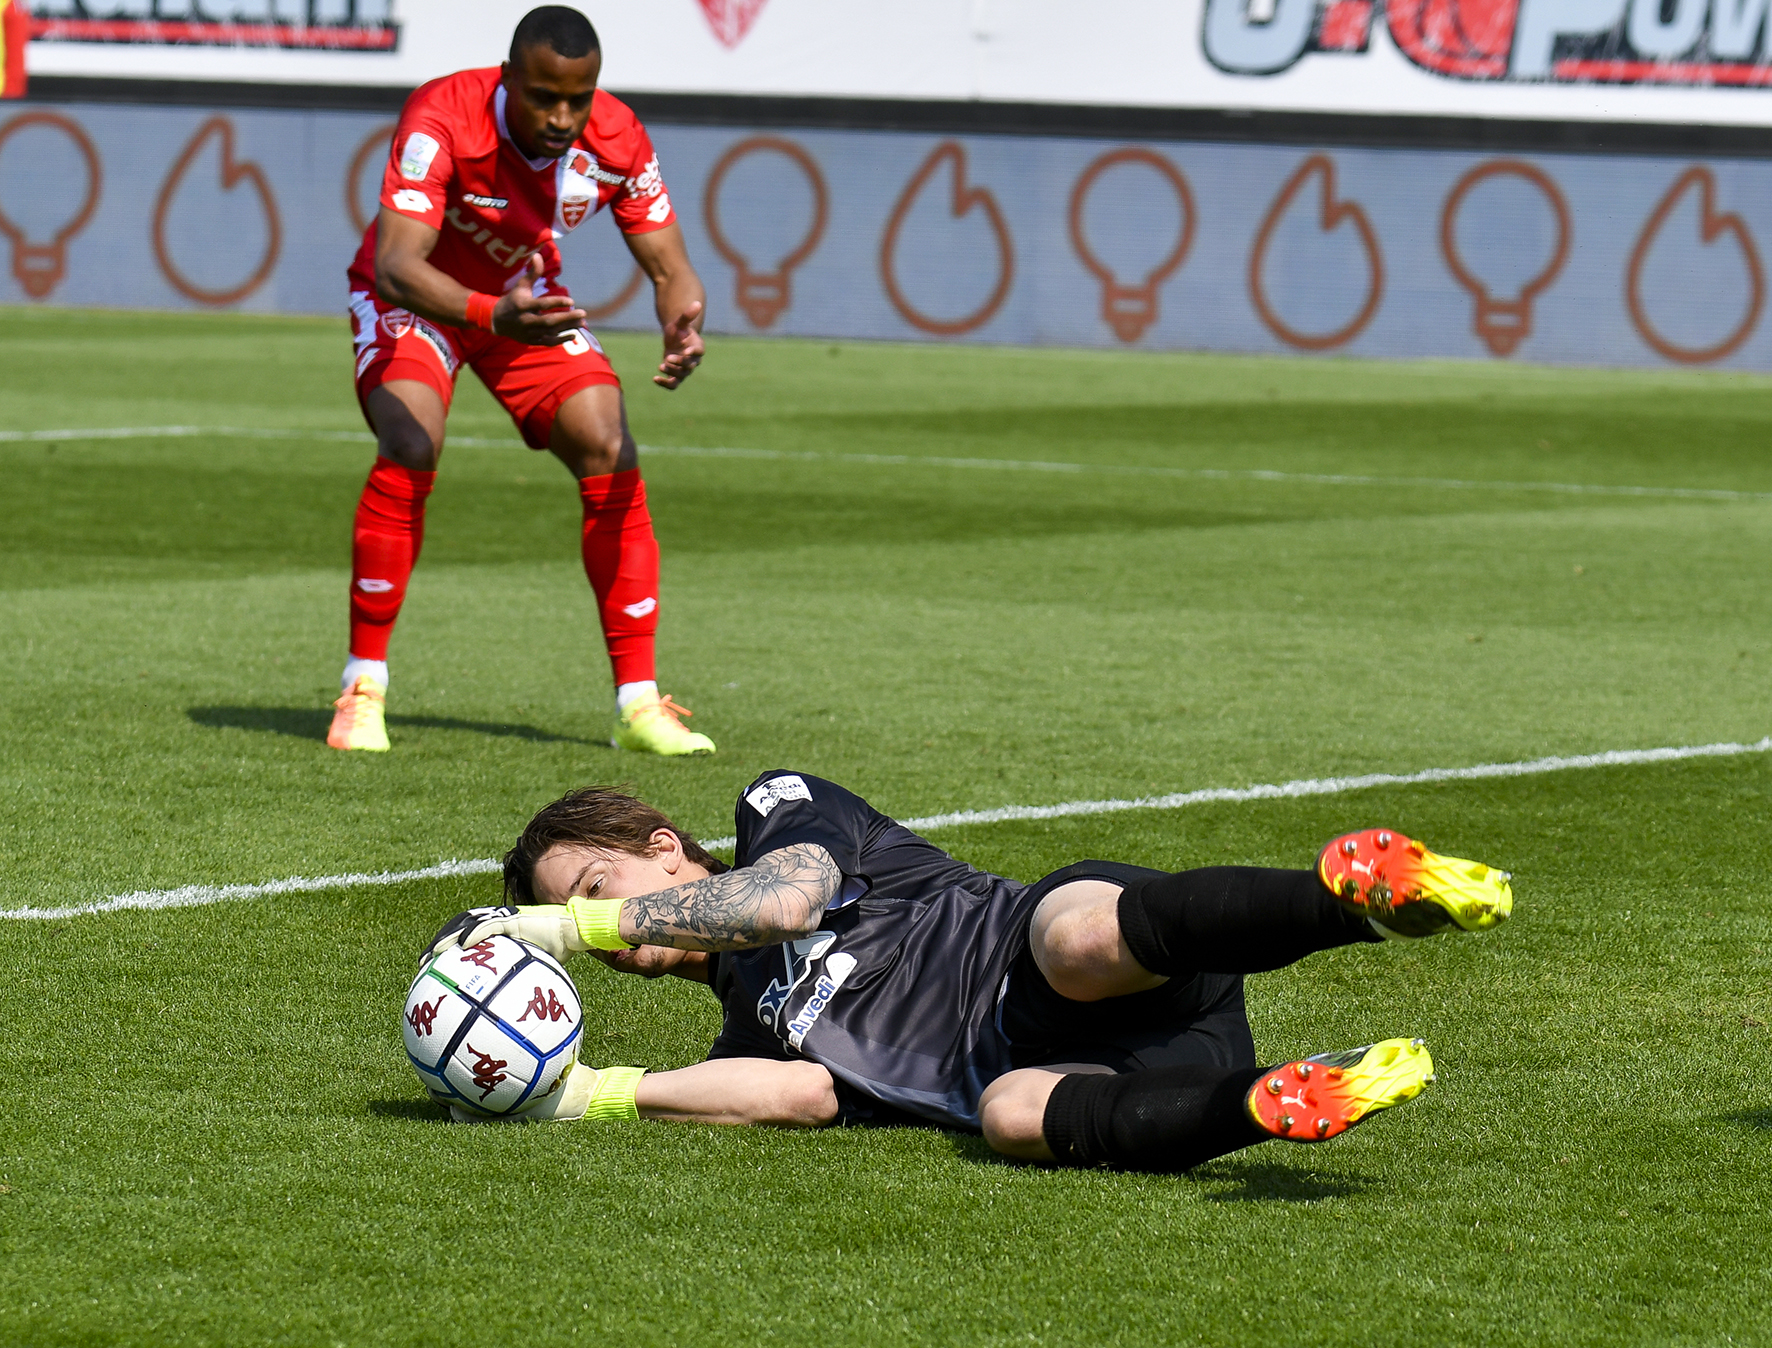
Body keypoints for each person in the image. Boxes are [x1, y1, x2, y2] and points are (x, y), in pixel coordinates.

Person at [424, 771, 1514, 1171]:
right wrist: (577, 1094)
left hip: (1085, 958)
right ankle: (1273, 1102)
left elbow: (786, 900)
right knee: (1005, 1114)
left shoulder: (778, 813)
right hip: (1141, 1073)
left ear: (664, 845)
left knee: (1073, 944)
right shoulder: (743, 1029)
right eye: (577, 911)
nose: (603, 921)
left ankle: (1357, 900)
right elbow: (798, 1096)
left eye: (596, 886)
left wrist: (557, 934)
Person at [330, 6, 714, 758]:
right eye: (544, 97)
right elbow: (397, 264)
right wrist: (488, 315)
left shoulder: (618, 136)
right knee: (410, 439)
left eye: (579, 98)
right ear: (508, 81)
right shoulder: (442, 113)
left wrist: (684, 318)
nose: (563, 116)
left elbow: (670, 264)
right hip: (422, 302)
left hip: (523, 306)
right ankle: (362, 687)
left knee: (608, 441)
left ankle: (639, 705)